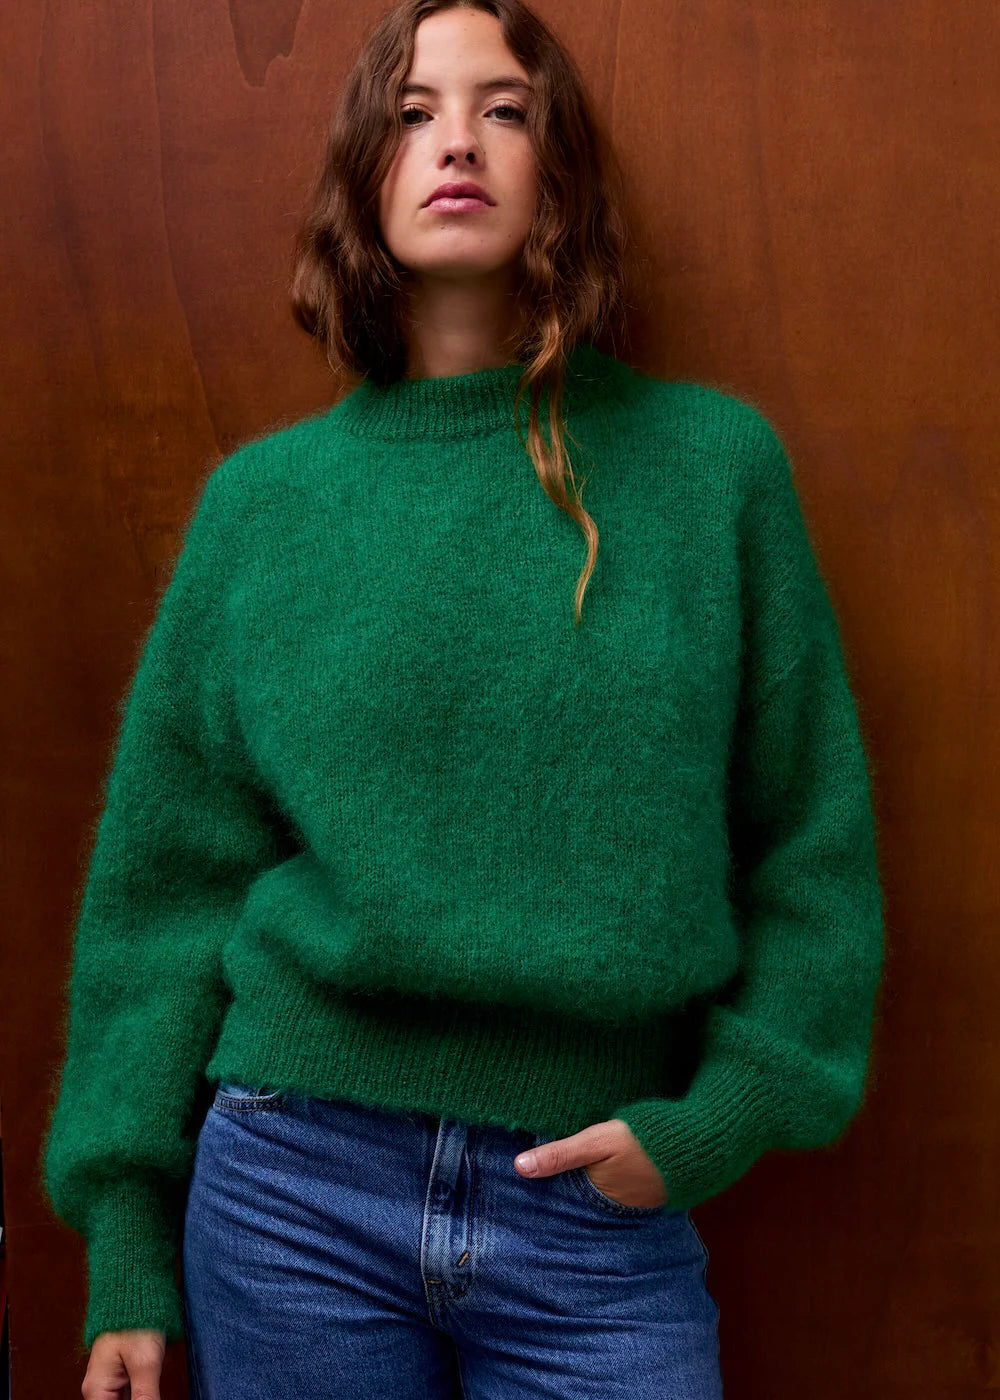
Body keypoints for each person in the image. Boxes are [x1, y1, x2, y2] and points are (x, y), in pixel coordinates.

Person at [40, 0, 886, 1396]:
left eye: (505, 108)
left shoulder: (711, 471)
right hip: (292, 1194)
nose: (458, 143)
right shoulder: (265, 506)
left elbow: (810, 846)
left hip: (594, 1208)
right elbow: (164, 894)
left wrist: (725, 1115)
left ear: (561, 164)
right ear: (364, 173)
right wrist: (126, 1235)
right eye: (413, 112)